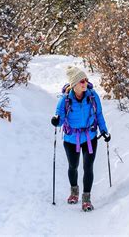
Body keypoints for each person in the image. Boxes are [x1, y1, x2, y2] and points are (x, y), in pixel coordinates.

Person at [51, 65, 111, 211]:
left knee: (88, 167)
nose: (85, 83)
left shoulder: (92, 96)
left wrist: (104, 131)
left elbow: (99, 115)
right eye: (81, 81)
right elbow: (59, 119)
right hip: (71, 139)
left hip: (90, 136)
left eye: (85, 80)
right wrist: (56, 121)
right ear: (74, 84)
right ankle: (74, 192)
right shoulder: (65, 100)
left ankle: (86, 199)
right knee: (73, 166)